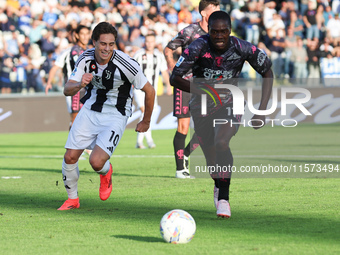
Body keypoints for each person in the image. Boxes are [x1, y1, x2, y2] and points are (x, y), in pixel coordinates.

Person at [170, 11, 273, 218]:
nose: (219, 36)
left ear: (230, 30)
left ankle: (224, 199)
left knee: (222, 142)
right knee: (212, 162)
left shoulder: (243, 47)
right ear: (208, 31)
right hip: (201, 106)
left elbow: (268, 72)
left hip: (230, 101)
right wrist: (204, 90)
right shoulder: (197, 47)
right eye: (214, 32)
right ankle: (219, 184)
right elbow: (175, 78)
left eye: (223, 31)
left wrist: (262, 110)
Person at [57, 22, 155, 210]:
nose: (107, 48)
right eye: (103, 44)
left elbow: (150, 91)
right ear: (94, 42)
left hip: (116, 114)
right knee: (70, 157)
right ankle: (73, 199)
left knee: (96, 162)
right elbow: (67, 89)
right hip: (91, 109)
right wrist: (79, 85)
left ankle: (106, 172)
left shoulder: (126, 63)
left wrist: (146, 120)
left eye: (111, 44)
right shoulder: (85, 59)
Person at [164, 0, 220, 179]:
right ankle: (180, 169)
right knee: (184, 126)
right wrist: (173, 67)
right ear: (204, 14)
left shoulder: (216, 35)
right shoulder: (190, 31)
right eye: (214, 10)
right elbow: (168, 49)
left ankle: (186, 153)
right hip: (185, 84)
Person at [45, 25, 91, 128]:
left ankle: (83, 143)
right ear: (77, 35)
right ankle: (72, 144)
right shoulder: (68, 52)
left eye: (87, 34)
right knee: (75, 118)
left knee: (87, 120)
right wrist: (49, 83)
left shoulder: (91, 52)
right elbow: (55, 67)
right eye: (82, 34)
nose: (85, 37)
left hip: (88, 89)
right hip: (74, 89)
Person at [133, 32, 171, 149]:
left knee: (149, 114)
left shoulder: (158, 56)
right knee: (145, 111)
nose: (149, 44)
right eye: (147, 41)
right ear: (144, 42)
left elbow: (164, 71)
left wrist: (169, 85)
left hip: (152, 90)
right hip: (139, 89)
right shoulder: (138, 54)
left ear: (155, 42)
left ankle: (139, 141)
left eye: (151, 41)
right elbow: (132, 70)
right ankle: (148, 140)